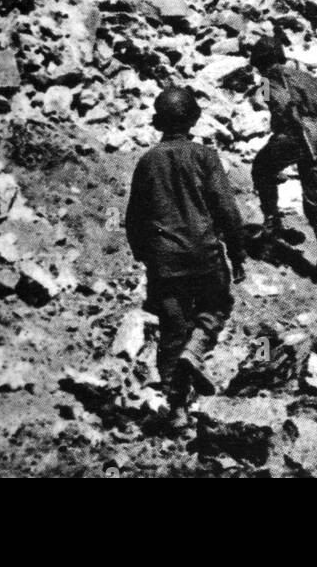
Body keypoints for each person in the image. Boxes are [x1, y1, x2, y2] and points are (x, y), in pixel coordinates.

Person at [125, 85, 245, 429]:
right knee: (217, 306)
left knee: (172, 329)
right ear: (194, 118)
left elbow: (135, 218)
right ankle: (196, 351)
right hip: (205, 255)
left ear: (156, 121)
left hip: (166, 259)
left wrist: (148, 258)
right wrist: (237, 252)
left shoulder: (148, 161)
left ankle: (177, 410)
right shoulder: (205, 156)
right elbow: (226, 208)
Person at [248, 36, 317, 286]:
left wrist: (281, 128)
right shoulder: (306, 76)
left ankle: (272, 225)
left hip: (297, 131)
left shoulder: (269, 78)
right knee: (316, 197)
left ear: (261, 61)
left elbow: (275, 104)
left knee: (261, 168)